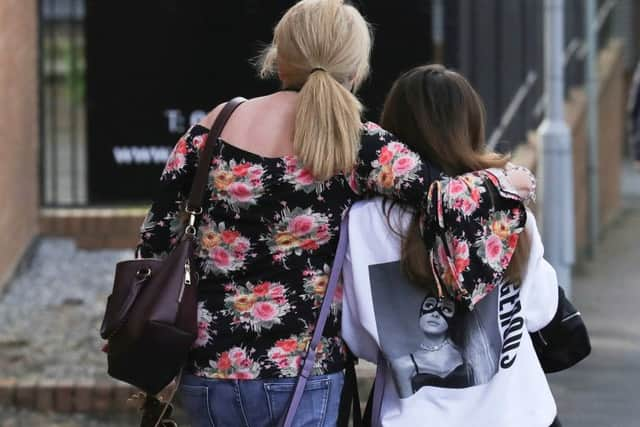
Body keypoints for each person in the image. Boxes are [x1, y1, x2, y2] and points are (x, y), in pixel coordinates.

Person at [136, 1, 533, 425]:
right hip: (309, 373)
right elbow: (445, 200)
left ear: (279, 59)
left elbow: (157, 238)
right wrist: (503, 185)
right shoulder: (358, 142)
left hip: (206, 369)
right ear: (356, 70)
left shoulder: (214, 126)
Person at [342, 65, 562, 427]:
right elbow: (539, 310)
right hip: (519, 414)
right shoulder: (505, 202)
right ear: (472, 126)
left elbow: (360, 339)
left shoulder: (364, 221)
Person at [389, 295, 472, 397]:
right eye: (429, 305)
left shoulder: (469, 356)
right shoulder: (403, 365)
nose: (435, 314)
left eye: (446, 309)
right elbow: (408, 409)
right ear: (420, 313)